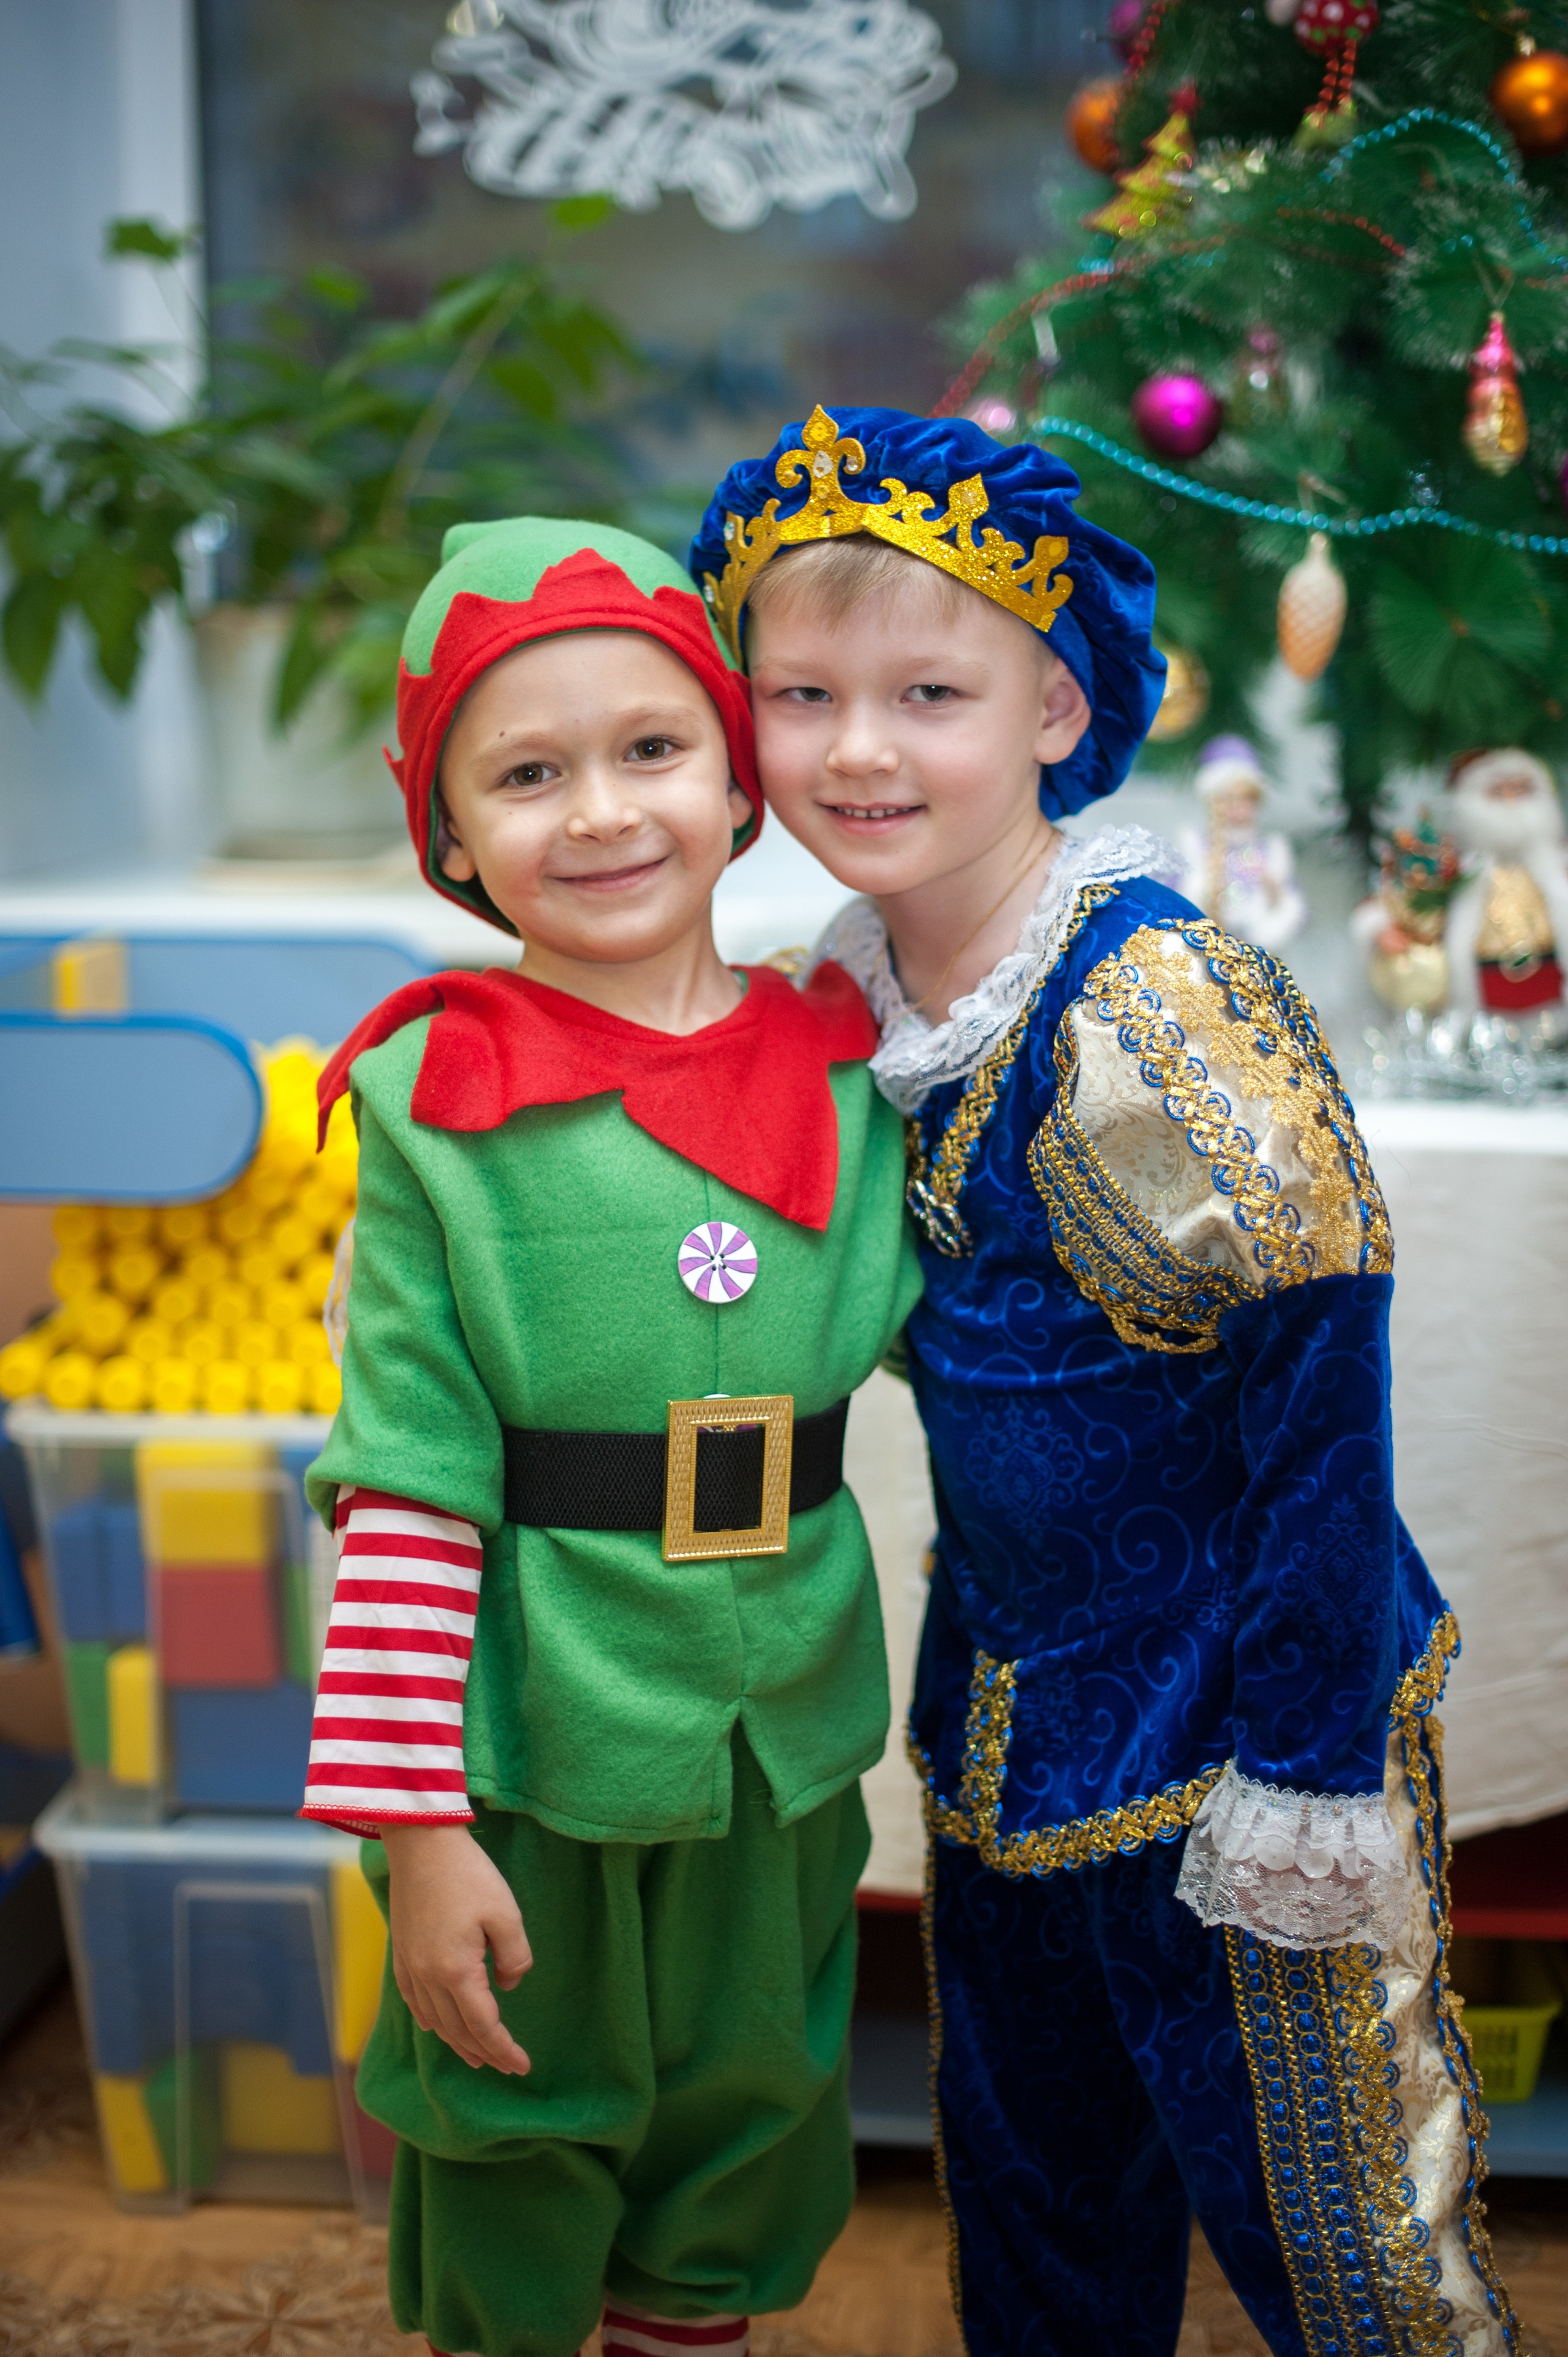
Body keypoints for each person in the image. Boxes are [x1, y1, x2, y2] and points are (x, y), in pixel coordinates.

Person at [690, 404, 1520, 2357]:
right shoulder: (855, 995)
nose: (859, 748)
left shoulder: (1147, 1001)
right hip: (1004, 1723)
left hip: (1238, 1731)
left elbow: (1319, 1346)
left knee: (1344, 2251)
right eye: (800, 695)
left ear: (1059, 709)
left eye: (928, 691)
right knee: (1040, 2211)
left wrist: (1307, 1773)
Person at [297, 516, 921, 2357]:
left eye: (651, 750)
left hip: (779, 1744)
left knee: (751, 2113)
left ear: (740, 782)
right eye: (527, 773)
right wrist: (416, 1830)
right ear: (452, 836)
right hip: (533, 1747)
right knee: (519, 2109)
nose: (600, 812)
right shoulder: (429, 1100)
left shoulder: (850, 1061)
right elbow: (405, 1489)